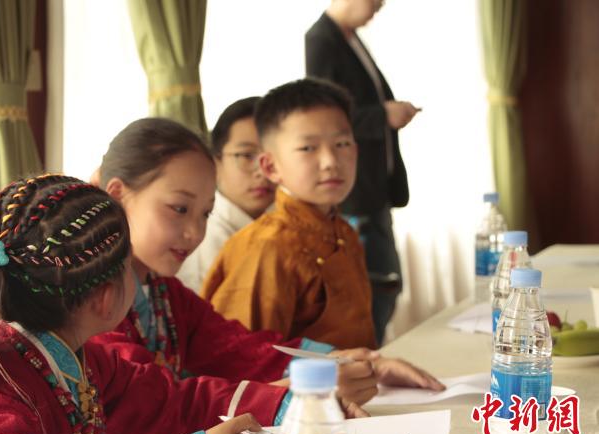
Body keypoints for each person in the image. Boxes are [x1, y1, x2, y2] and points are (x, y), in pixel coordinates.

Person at [0, 174, 285, 434]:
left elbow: (173, 401)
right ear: (106, 297)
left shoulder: (85, 361)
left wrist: (285, 403)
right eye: (128, 265)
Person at [91, 117, 381, 409]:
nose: (195, 233)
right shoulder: (94, 299)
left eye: (205, 214)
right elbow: (152, 402)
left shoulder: (165, 292)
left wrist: (335, 360)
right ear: (118, 196)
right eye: (179, 208)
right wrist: (299, 391)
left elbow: (238, 348)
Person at [202, 79, 442, 391]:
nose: (330, 162)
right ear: (271, 166)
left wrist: (374, 367)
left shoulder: (344, 232)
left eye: (342, 144)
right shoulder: (266, 247)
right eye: (308, 148)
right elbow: (239, 369)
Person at [306, 0, 420, 345]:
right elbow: (326, 116)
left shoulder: (349, 37)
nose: (380, 6)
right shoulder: (321, 39)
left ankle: (372, 358)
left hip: (374, 188)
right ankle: (369, 363)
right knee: (376, 289)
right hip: (356, 194)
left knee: (385, 285)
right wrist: (383, 115)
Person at [177, 97, 275, 293]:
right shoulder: (205, 239)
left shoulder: (285, 222)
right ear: (216, 163)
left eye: (274, 156)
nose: (262, 171)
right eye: (247, 155)